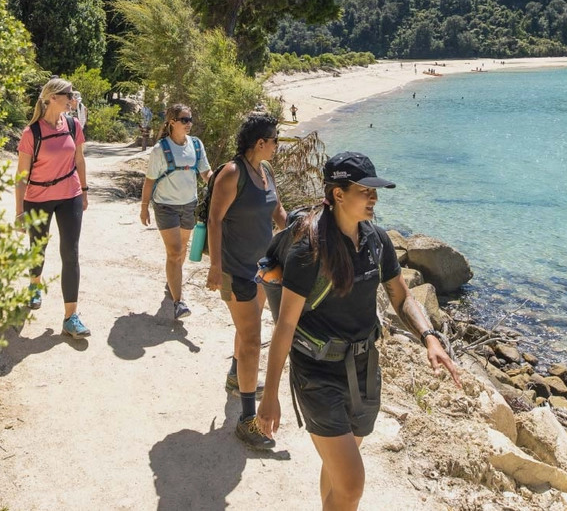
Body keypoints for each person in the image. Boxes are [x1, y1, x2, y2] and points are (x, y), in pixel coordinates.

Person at [258, 152, 462, 510]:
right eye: (366, 191)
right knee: (352, 484)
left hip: (366, 370)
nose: (374, 198)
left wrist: (430, 337)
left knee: (340, 471)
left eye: (375, 191)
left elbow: (400, 296)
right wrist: (270, 394)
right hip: (317, 373)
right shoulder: (310, 248)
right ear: (338, 194)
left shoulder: (377, 240)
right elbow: (286, 324)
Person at [206, 112, 286, 449]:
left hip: (262, 269)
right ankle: (247, 419)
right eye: (274, 141)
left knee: (246, 333)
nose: (277, 147)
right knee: (253, 338)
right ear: (260, 143)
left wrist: (309, 230)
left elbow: (278, 214)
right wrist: (214, 267)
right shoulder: (232, 173)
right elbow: (214, 219)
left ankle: (237, 376)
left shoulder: (265, 172)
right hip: (235, 270)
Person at [15, 77, 91, 339]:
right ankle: (34, 285)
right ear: (54, 98)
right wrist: (19, 212)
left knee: (71, 253)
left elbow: (79, 159)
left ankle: (71, 317)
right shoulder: (31, 133)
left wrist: (84, 190)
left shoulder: (73, 124)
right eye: (69, 95)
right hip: (37, 198)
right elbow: (21, 177)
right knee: (38, 247)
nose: (73, 99)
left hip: (69, 194)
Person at [140, 103, 211, 320]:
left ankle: (172, 281)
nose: (189, 124)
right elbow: (149, 181)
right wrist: (144, 208)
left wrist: (223, 186)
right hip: (165, 206)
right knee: (173, 252)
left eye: (190, 119)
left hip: (189, 204)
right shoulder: (160, 149)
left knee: (181, 252)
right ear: (172, 122)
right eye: (184, 120)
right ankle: (179, 302)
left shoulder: (196, 145)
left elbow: (206, 173)